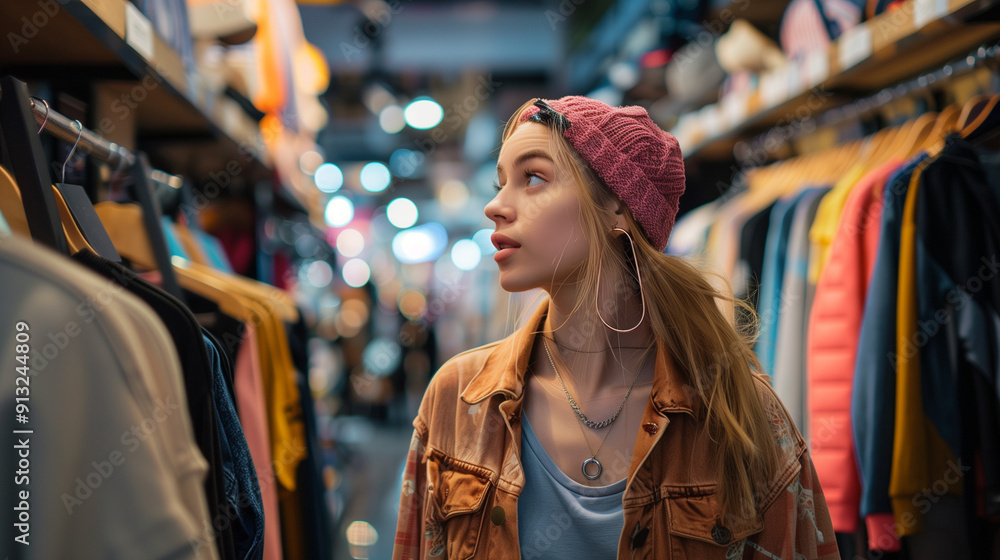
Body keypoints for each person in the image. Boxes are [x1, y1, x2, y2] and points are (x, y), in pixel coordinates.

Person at [392, 96, 838, 559]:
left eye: (534, 178)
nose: (495, 207)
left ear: (618, 208)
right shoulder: (460, 400)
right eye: (501, 182)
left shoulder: (740, 414)